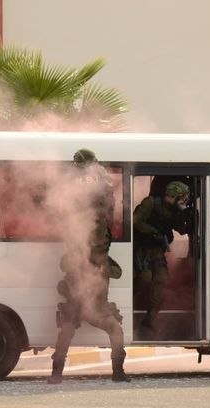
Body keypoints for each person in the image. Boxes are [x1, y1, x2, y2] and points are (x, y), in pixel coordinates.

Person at [48, 149, 129, 384]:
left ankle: (56, 374)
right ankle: (118, 373)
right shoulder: (99, 178)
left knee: (67, 331)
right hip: (91, 304)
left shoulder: (70, 178)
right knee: (114, 330)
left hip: (82, 301)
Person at [132, 180, 192, 333]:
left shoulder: (174, 211)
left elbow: (181, 230)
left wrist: (186, 217)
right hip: (142, 248)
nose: (183, 202)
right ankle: (123, 303)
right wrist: (153, 232)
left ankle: (151, 317)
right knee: (145, 277)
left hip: (157, 251)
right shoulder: (150, 203)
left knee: (163, 280)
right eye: (181, 199)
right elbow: (135, 221)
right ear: (173, 196)